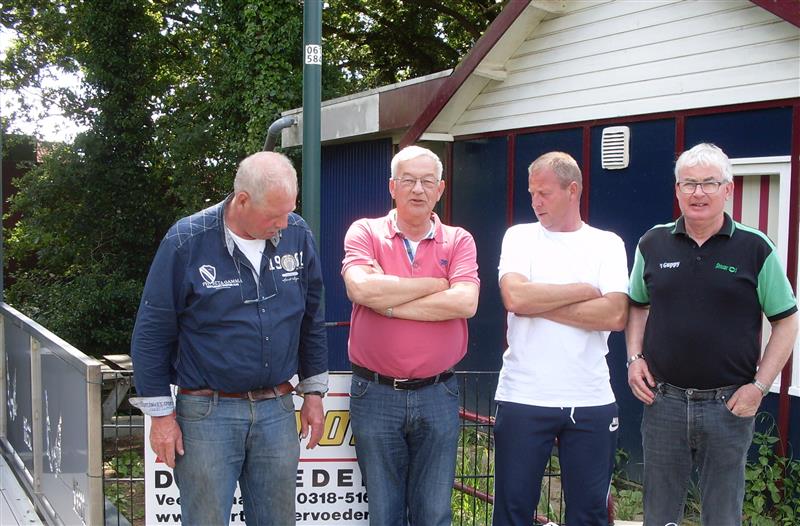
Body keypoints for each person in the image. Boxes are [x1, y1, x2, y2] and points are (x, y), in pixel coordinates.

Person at [130, 151, 328, 525]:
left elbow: (312, 317)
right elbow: (152, 333)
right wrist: (161, 417)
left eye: (289, 212)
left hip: (277, 409)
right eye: (274, 216)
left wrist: (314, 393)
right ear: (242, 200)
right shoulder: (187, 241)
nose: (283, 224)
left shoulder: (298, 234)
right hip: (207, 414)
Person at [626, 142, 798, 525]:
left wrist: (760, 386)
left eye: (709, 183)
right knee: (659, 514)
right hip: (663, 402)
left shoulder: (756, 248)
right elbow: (637, 304)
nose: (698, 192)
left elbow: (787, 321)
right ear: (677, 190)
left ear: (728, 189)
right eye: (689, 183)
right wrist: (634, 358)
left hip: (729, 406)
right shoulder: (652, 243)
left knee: (722, 516)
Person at [341, 145, 480, 525]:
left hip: (437, 392)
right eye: (408, 180)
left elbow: (465, 302)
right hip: (375, 393)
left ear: (440, 189)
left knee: (434, 512)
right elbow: (360, 289)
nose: (418, 189)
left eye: (427, 181)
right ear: (392, 186)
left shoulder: (459, 240)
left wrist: (387, 303)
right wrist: (437, 284)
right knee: (384, 512)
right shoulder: (365, 231)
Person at [493, 151, 629, 526]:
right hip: (524, 394)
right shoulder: (519, 237)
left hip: (590, 397)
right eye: (532, 193)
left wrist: (538, 304)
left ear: (573, 190)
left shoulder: (607, 243)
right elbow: (515, 298)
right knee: (512, 511)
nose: (535, 202)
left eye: (544, 193)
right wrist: (583, 290)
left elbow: (616, 315)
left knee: (589, 513)